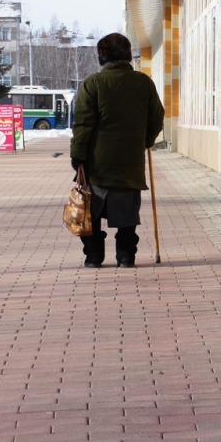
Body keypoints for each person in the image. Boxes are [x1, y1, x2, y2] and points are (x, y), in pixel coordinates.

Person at [70, 33, 165, 268]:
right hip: (130, 160)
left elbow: (83, 123)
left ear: (102, 57)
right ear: (127, 55)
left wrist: (77, 154)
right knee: (127, 210)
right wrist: (145, 141)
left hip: (97, 161)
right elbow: (157, 117)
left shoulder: (92, 83)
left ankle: (93, 256)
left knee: (90, 209)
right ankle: (125, 256)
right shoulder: (143, 82)